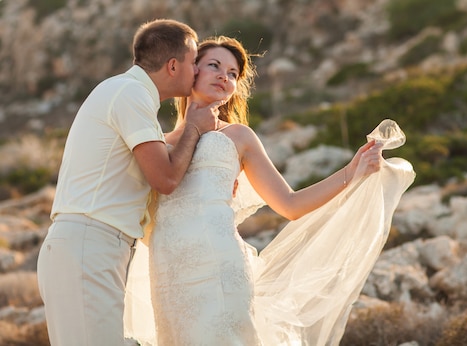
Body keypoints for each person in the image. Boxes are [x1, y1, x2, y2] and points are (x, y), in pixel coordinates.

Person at [124, 36, 416, 345]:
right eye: (214, 66)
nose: (225, 76)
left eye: (234, 73)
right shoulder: (157, 141)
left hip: (220, 267)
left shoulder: (239, 136)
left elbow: (290, 204)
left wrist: (351, 171)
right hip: (167, 272)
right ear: (190, 70)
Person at [36, 19, 223, 346]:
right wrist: (192, 128)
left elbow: (155, 150)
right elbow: (164, 178)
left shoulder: (126, 93)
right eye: (195, 62)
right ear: (173, 65)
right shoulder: (131, 94)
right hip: (88, 247)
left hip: (89, 249)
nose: (196, 71)